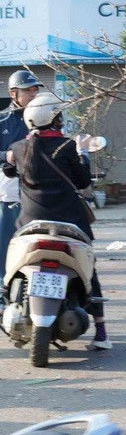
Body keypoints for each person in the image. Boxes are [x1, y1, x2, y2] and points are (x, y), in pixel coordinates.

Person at [1, 92, 111, 349]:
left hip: (31, 224)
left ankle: (8, 303)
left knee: (12, 266)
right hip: (70, 223)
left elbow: (7, 167)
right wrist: (83, 153)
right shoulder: (68, 146)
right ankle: (102, 333)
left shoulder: (18, 148)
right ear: (55, 119)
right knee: (88, 273)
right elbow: (83, 181)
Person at [0, 71, 42, 289]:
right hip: (10, 194)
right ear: (13, 93)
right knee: (7, 244)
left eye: (36, 89)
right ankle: (2, 291)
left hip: (40, 194)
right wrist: (4, 156)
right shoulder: (2, 121)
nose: (34, 93)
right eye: (28, 89)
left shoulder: (44, 120)